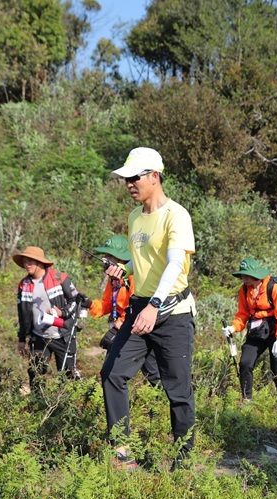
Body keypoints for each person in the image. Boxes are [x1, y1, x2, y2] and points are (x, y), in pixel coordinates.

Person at [101, 147, 196, 471]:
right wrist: (123, 268)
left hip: (172, 310)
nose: (129, 183)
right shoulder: (134, 217)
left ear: (155, 176)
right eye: (126, 179)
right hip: (140, 308)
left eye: (134, 177)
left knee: (178, 390)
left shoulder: (176, 215)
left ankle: (184, 461)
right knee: (112, 373)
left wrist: (154, 305)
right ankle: (121, 451)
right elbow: (141, 261)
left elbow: (173, 264)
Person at [87, 235, 160, 387]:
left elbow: (136, 306)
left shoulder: (133, 277)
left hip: (136, 327)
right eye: (105, 256)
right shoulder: (114, 278)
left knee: (152, 372)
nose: (105, 259)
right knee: (116, 370)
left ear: (120, 258)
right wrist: (88, 304)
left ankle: (167, 400)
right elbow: (107, 304)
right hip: (124, 328)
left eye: (109, 256)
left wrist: (117, 328)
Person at [223, 258, 277, 401]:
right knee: (245, 363)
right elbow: (242, 314)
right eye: (242, 276)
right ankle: (247, 400)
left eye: (247, 276)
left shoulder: (274, 289)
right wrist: (233, 327)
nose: (244, 279)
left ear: (256, 275)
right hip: (257, 332)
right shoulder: (244, 290)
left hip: (276, 333)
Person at [15, 246, 82, 387]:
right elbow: (22, 314)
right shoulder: (24, 285)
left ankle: (69, 405)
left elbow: (76, 300)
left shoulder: (59, 278)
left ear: (40, 262)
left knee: (68, 375)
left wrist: (62, 313)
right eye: (25, 261)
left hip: (63, 336)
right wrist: (22, 339)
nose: (27, 265)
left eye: (30, 261)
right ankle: (37, 406)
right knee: (35, 372)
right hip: (38, 336)